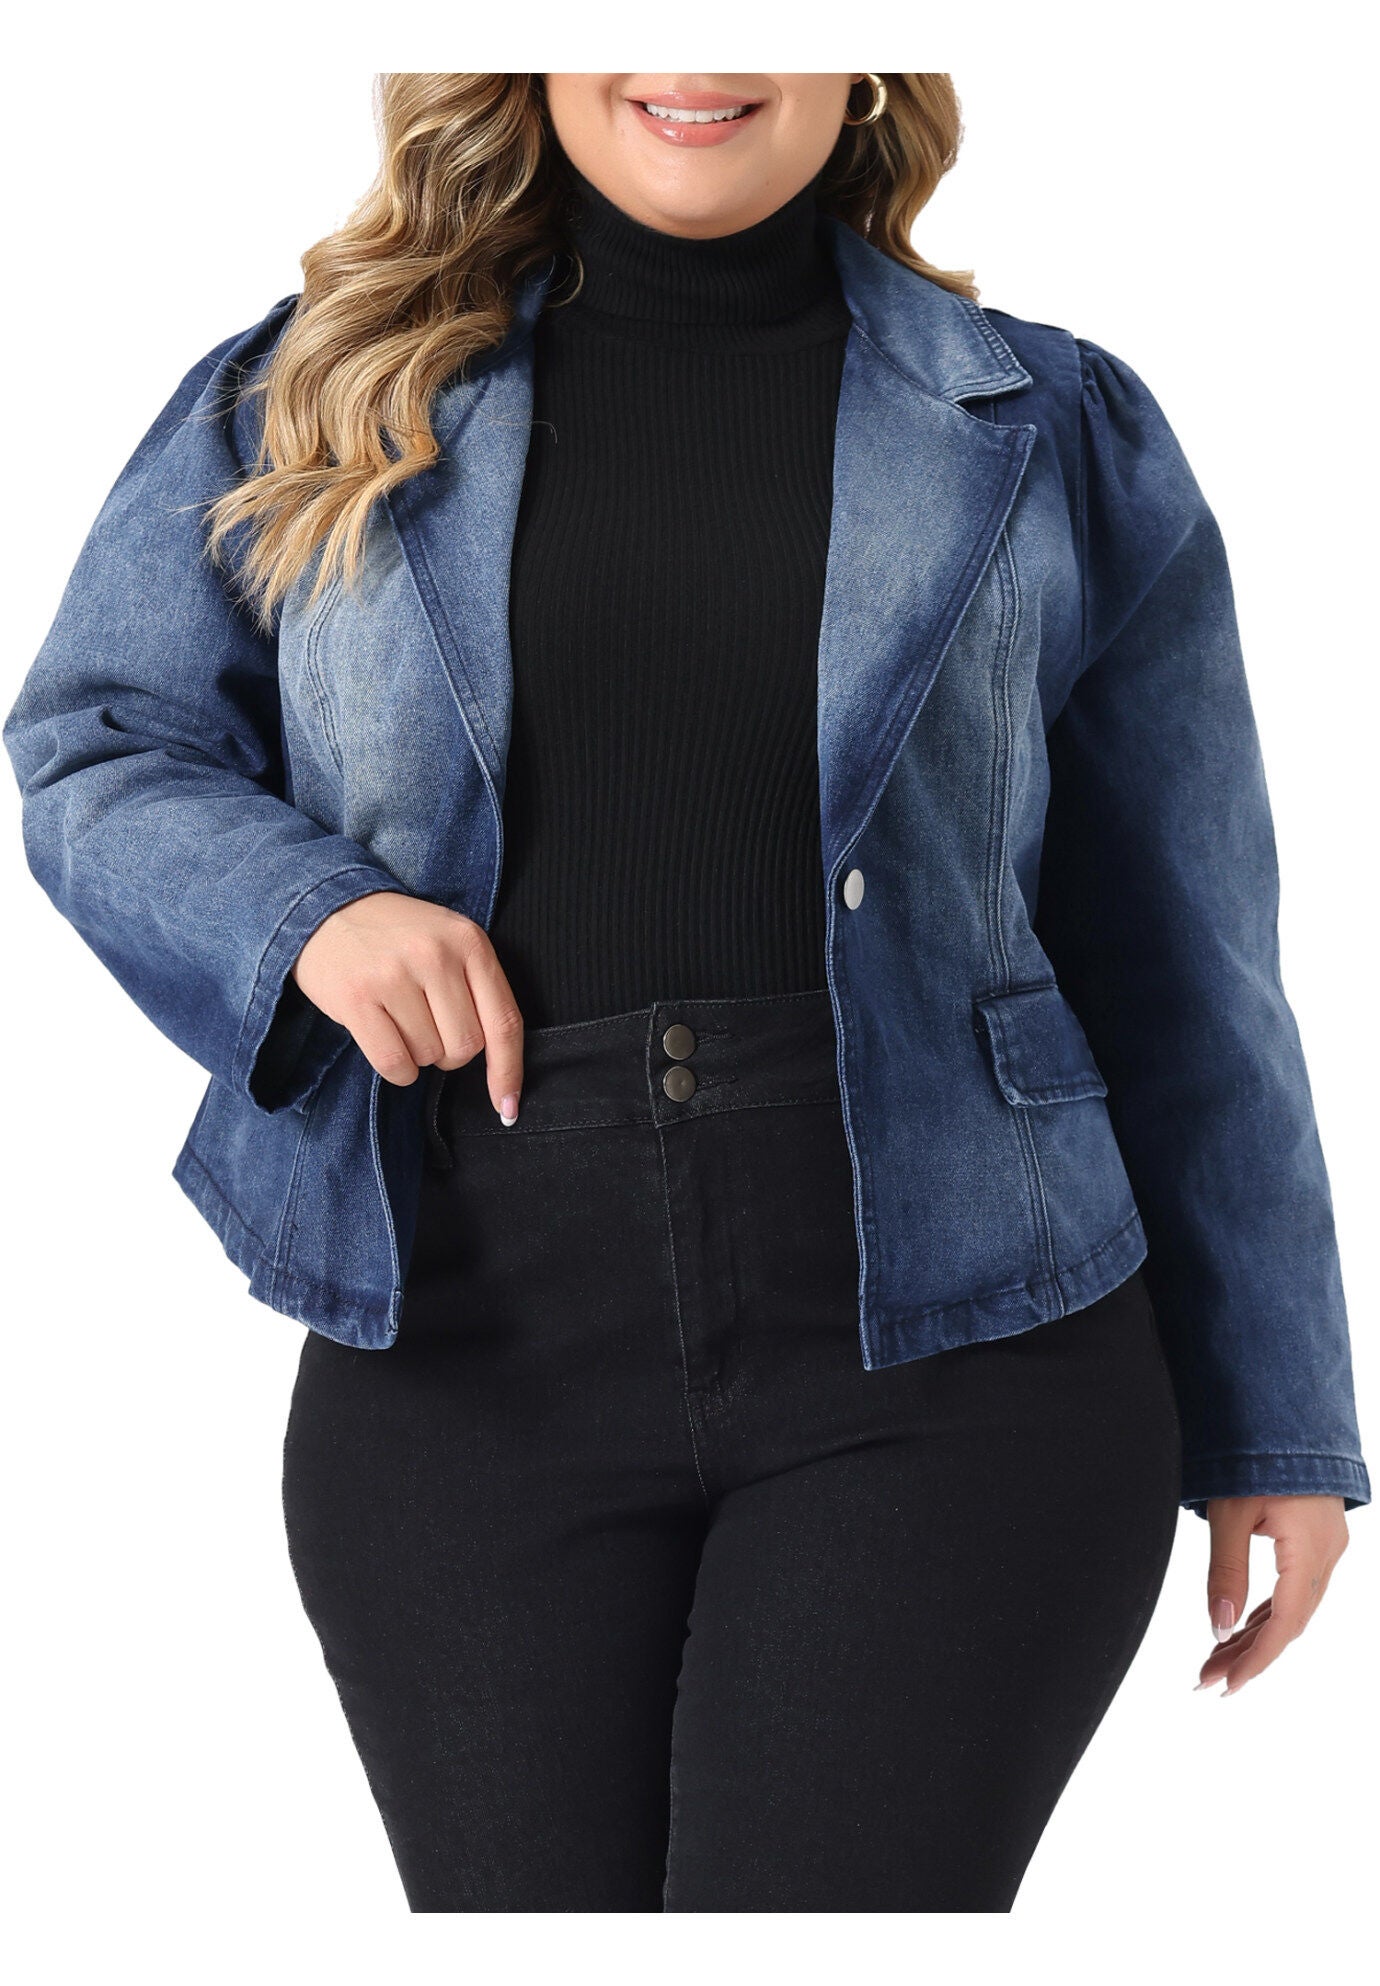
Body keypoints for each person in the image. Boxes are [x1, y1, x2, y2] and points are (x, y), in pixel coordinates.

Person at [5, 72, 1368, 1913]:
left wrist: (1274, 1410)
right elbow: (99, 741)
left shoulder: (1055, 432)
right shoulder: (312, 390)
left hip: (963, 1344)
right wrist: (308, 914)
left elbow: (1187, 949)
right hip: (466, 1354)